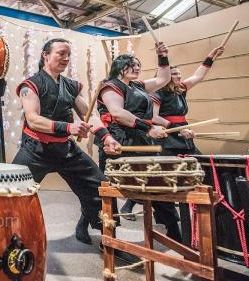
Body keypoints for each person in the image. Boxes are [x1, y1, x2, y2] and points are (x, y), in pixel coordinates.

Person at [14, 38, 122, 247]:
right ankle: (11, 240)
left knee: (101, 187)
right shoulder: (31, 85)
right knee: (12, 192)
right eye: (60, 53)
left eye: (68, 55)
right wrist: (68, 127)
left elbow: (88, 115)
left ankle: (109, 240)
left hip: (66, 150)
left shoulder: (70, 86)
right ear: (46, 55)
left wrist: (107, 137)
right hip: (36, 150)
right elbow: (33, 119)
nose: (65, 58)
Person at [79, 43, 184, 242]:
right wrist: (149, 127)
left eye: (138, 65)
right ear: (120, 67)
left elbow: (164, 78)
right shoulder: (110, 86)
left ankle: (173, 229)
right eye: (132, 64)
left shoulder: (138, 86)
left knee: (156, 183)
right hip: (118, 144)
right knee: (109, 190)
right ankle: (100, 231)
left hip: (141, 142)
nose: (137, 68)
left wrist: (163, 56)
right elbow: (118, 114)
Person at [119, 46, 225, 217]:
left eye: (179, 74)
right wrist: (176, 130)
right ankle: (134, 204)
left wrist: (211, 56)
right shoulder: (157, 92)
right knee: (161, 175)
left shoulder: (180, 89)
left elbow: (198, 76)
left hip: (184, 136)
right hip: (167, 139)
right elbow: (153, 117)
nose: (179, 76)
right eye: (175, 74)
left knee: (201, 166)